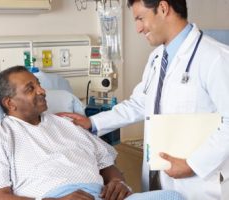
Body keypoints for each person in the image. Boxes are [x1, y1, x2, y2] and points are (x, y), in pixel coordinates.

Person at [57, 0, 229, 200]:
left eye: (140, 18)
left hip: (200, 183)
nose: (138, 28)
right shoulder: (157, 58)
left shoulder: (216, 57)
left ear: (163, 8)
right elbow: (140, 103)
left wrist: (193, 164)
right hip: (160, 175)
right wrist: (93, 123)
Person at [0, 66, 184, 200]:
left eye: (38, 84)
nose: (41, 90)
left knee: (172, 197)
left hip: (101, 195)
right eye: (30, 89)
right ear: (10, 103)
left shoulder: (66, 124)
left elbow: (107, 166)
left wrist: (118, 183)